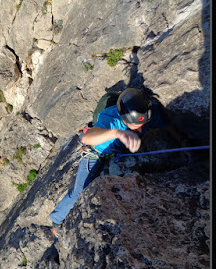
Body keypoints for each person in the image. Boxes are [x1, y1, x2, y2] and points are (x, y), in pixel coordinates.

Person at [50, 87, 189, 237]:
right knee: (79, 191)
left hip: (118, 152)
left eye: (143, 125)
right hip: (96, 153)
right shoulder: (110, 119)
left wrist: (182, 141)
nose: (140, 130)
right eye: (135, 127)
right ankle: (56, 221)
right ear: (124, 119)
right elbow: (87, 138)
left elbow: (167, 125)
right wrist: (116, 133)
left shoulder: (149, 111)